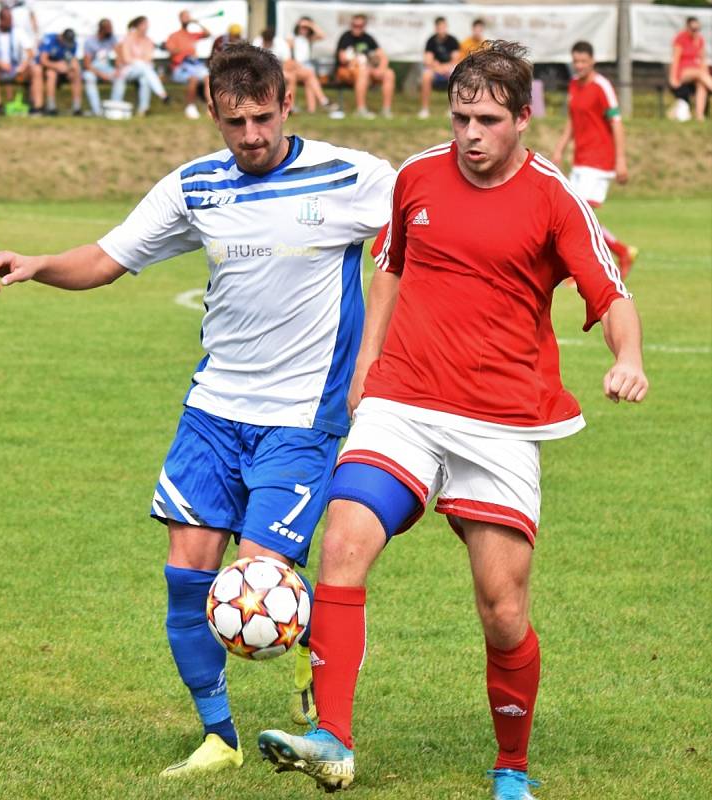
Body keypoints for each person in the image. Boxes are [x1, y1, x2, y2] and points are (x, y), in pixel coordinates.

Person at [0, 43, 395, 781]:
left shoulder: (349, 177)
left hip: (300, 420)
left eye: (263, 117)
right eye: (234, 121)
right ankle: (218, 736)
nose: (251, 136)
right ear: (211, 112)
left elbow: (425, 226)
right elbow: (109, 256)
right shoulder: (195, 187)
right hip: (211, 413)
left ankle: (308, 663)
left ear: (287, 104)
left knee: (256, 582)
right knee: (187, 578)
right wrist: (40, 265)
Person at [258, 40, 649, 798]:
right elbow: (391, 266)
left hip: (500, 421)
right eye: (460, 115)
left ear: (522, 119)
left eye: (488, 120)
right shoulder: (415, 177)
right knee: (342, 540)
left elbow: (610, 293)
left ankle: (510, 769)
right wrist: (368, 362)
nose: (470, 134)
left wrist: (626, 357)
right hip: (403, 399)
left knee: (502, 608)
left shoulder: (551, 196)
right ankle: (332, 739)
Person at [551, 41, 637, 278]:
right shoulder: (573, 85)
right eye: (575, 61)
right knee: (576, 215)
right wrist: (559, 149)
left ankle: (575, 270)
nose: (579, 66)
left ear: (592, 61)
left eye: (583, 61)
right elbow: (572, 121)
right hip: (581, 159)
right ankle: (621, 251)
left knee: (578, 215)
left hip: (600, 160)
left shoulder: (602, 87)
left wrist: (621, 160)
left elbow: (616, 123)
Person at [0, 7, 42, 114]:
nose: (11, 22)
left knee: (37, 69)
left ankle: (38, 108)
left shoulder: (18, 31)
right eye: (8, 20)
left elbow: (31, 52)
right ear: (1, 20)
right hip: (1, 70)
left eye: (11, 19)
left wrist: (24, 65)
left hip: (19, 69)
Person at [335, 13, 395, 119]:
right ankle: (361, 110)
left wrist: (381, 69)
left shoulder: (368, 38)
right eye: (355, 25)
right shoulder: (346, 37)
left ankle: (386, 110)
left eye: (360, 26)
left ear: (364, 26)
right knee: (363, 72)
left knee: (389, 73)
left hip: (368, 68)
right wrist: (356, 60)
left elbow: (383, 56)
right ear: (351, 25)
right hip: (348, 71)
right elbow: (342, 58)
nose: (357, 28)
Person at [114, 16, 169, 117]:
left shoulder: (148, 40)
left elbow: (149, 58)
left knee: (145, 78)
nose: (147, 26)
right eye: (145, 24)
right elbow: (126, 59)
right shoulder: (128, 38)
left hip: (142, 69)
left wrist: (140, 62)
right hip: (127, 70)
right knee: (145, 68)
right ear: (138, 25)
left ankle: (143, 110)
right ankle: (162, 94)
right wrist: (140, 61)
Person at [165, 9, 212, 120]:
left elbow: (208, 34)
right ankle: (190, 107)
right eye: (185, 16)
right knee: (193, 79)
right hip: (180, 67)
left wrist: (197, 23)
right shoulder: (174, 36)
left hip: (193, 65)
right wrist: (185, 51)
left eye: (188, 16)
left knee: (208, 77)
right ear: (180, 19)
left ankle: (211, 107)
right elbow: (170, 49)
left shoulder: (192, 35)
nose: (187, 18)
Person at [669, 16, 711, 122]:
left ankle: (699, 116)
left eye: (698, 29)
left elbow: (703, 60)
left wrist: (705, 74)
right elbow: (675, 60)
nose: (696, 32)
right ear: (687, 27)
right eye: (693, 29)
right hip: (683, 72)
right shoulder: (681, 39)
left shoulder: (700, 40)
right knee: (700, 74)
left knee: (702, 85)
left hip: (697, 73)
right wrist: (673, 77)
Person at [418, 16, 461, 119]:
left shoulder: (453, 40)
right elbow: (428, 60)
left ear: (446, 27)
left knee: (457, 75)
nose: (441, 29)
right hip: (435, 69)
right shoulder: (431, 41)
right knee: (426, 76)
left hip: (448, 69)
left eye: (443, 27)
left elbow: (456, 59)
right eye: (439, 27)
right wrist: (437, 67)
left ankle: (452, 109)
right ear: (436, 28)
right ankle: (424, 109)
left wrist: (445, 67)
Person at [37, 27, 83, 116]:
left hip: (64, 69)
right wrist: (56, 65)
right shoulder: (49, 39)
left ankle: (77, 108)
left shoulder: (73, 44)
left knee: (76, 73)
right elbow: (43, 60)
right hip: (48, 68)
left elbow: (72, 60)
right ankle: (51, 107)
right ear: (61, 37)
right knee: (51, 74)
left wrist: (70, 67)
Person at [82, 18, 118, 117]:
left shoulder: (112, 39)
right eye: (109, 28)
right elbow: (87, 64)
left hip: (106, 68)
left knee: (120, 77)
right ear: (102, 29)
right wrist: (102, 75)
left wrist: (118, 70)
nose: (111, 30)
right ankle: (97, 111)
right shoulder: (90, 41)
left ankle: (114, 109)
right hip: (93, 69)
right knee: (89, 78)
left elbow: (119, 55)